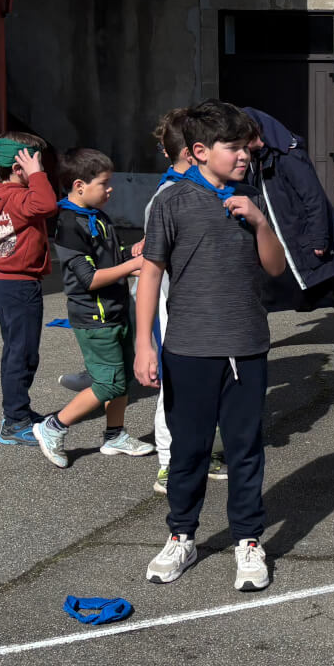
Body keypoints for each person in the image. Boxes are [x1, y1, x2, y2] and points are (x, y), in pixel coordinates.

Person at [135, 101, 288, 591]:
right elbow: (150, 274)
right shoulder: (172, 201)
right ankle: (181, 536)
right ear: (200, 151)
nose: (244, 155)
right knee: (189, 451)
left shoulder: (251, 197)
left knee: (245, 450)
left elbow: (276, 268)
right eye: (234, 147)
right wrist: (143, 345)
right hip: (188, 349)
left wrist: (259, 221)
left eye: (247, 147)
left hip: (246, 347)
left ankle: (248, 540)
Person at [32, 148, 152, 467]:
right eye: (104, 183)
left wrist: (135, 255)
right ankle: (52, 427)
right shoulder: (70, 224)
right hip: (95, 319)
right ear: (79, 185)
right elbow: (90, 279)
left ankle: (115, 436)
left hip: (116, 312)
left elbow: (112, 259)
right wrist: (134, 265)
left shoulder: (98, 216)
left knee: (122, 378)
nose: (110, 189)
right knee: (108, 383)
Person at [242, 107, 334, 352]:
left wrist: (319, 238)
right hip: (281, 241)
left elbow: (313, 197)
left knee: (331, 288)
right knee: (259, 291)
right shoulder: (257, 160)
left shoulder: (289, 156)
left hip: (301, 240)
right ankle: (252, 340)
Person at [0, 132, 57, 447]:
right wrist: (36, 175)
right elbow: (47, 204)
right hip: (20, 285)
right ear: (18, 167)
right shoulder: (19, 198)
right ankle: (14, 422)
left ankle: (18, 410)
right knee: (22, 355)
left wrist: (33, 174)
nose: (43, 171)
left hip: (3, 282)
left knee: (17, 351)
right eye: (38, 164)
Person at [142, 108, 199, 496]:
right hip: (171, 308)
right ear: (194, 152)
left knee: (206, 388)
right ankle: (167, 461)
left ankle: (202, 450)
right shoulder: (165, 197)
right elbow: (153, 268)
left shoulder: (208, 190)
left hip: (201, 312)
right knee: (173, 387)